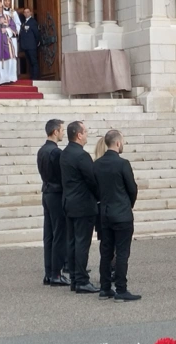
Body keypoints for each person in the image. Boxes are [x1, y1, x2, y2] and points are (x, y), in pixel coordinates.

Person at [91, 130, 140, 301]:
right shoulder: (123, 164)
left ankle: (105, 288)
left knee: (106, 251)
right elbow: (132, 188)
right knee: (122, 253)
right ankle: (121, 289)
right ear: (118, 143)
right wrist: (128, 205)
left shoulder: (96, 164)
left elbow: (94, 188)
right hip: (121, 214)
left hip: (104, 213)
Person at [59, 121, 100, 294]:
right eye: (86, 131)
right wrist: (99, 196)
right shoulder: (81, 156)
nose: (87, 134)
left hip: (69, 202)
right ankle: (82, 280)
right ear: (79, 135)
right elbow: (92, 180)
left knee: (72, 242)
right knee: (82, 243)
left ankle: (75, 278)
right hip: (83, 205)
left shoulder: (65, 153)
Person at [37, 119, 69, 287]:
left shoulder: (42, 150)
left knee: (49, 234)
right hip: (56, 193)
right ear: (55, 132)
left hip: (47, 192)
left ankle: (49, 272)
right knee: (58, 234)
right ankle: (56, 272)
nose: (63, 133)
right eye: (62, 130)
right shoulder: (56, 152)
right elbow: (61, 175)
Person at [20, 8, 42, 79]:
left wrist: (36, 43)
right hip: (26, 46)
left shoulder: (33, 22)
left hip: (32, 46)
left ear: (31, 13)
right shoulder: (23, 22)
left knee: (33, 62)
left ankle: (35, 77)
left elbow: (36, 34)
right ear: (23, 14)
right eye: (25, 12)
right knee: (29, 62)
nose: (26, 13)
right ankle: (32, 76)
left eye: (28, 12)